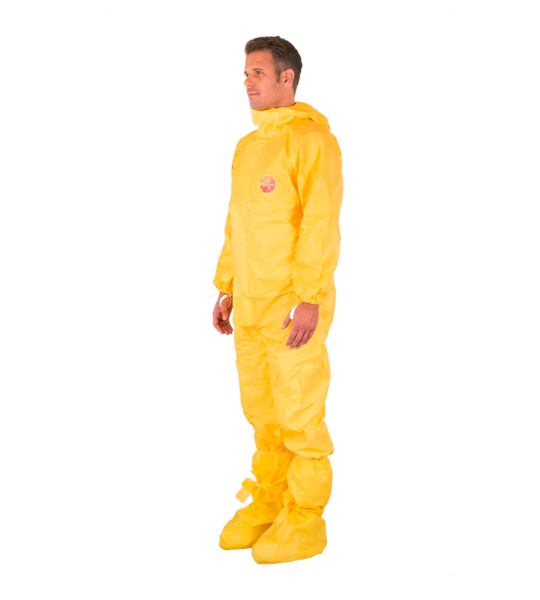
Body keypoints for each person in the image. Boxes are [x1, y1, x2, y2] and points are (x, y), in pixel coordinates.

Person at [212, 35, 343, 564]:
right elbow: (237, 223)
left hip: (292, 305)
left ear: (286, 78)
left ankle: (306, 520)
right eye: (246, 73)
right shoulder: (248, 147)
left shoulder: (313, 142)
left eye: (258, 73)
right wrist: (227, 285)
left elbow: (320, 223)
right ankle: (270, 501)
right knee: (263, 413)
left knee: (299, 413)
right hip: (251, 303)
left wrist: (310, 296)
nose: (247, 82)